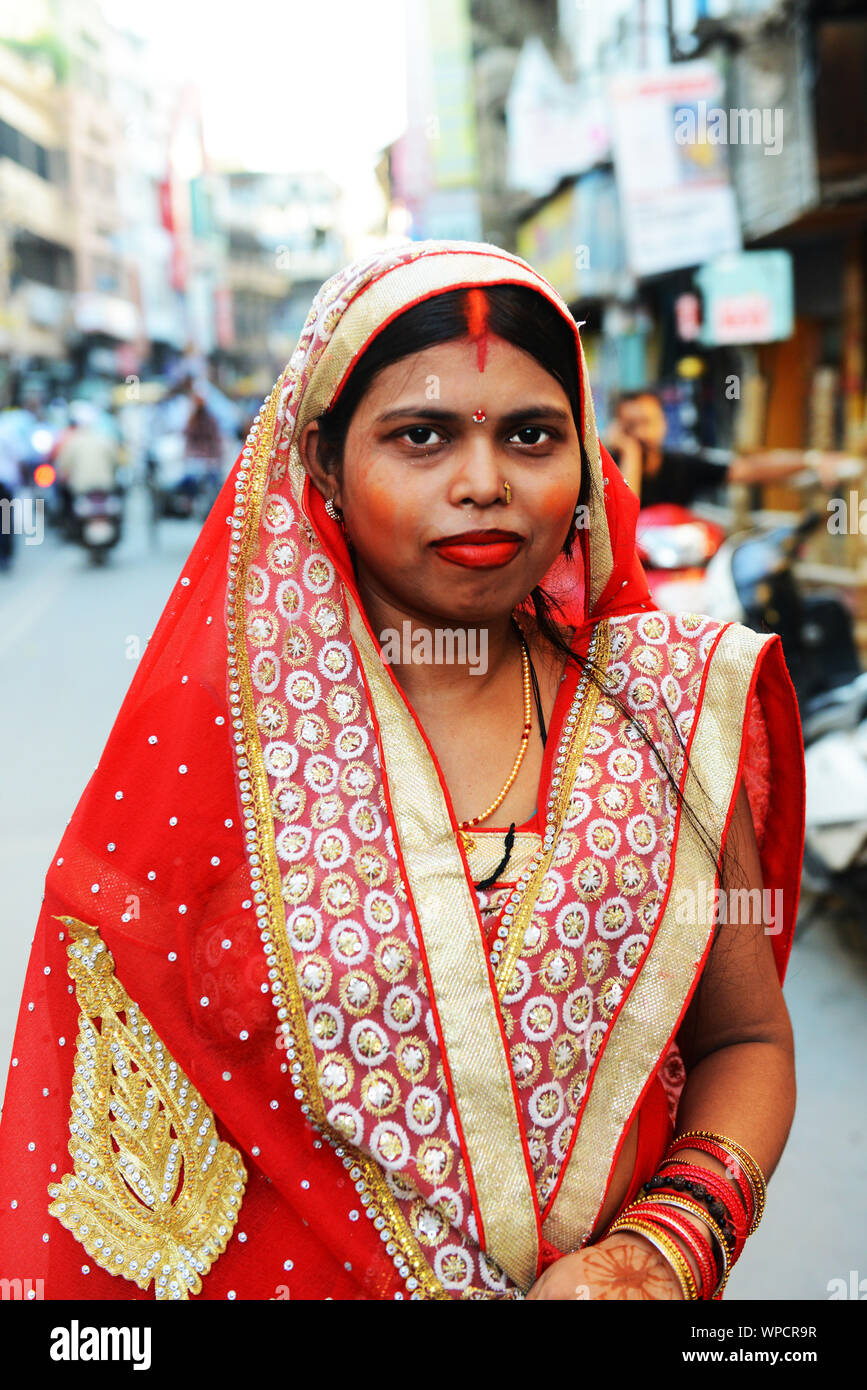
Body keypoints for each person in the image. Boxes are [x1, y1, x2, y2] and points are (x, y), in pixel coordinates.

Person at [0, 241, 805, 1301]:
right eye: (420, 436)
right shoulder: (218, 754)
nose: (484, 483)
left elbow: (745, 1038)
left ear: (582, 458)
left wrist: (660, 1245)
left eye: (531, 435)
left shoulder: (671, 705)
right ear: (324, 463)